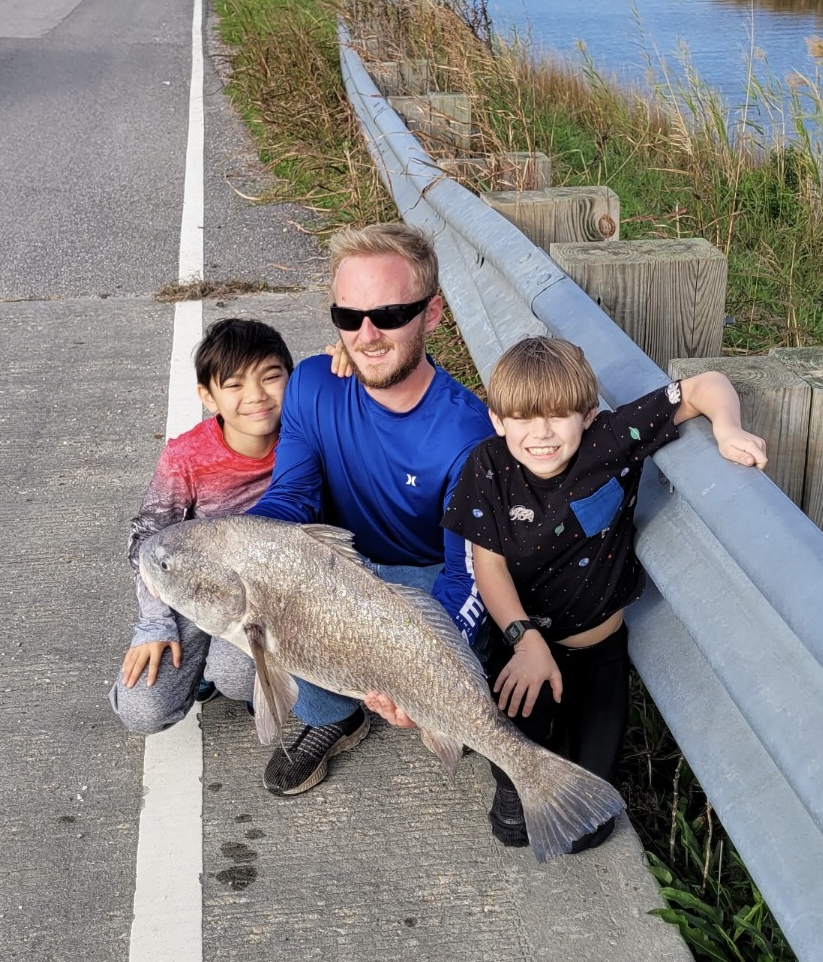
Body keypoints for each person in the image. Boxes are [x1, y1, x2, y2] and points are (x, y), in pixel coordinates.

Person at [441, 336, 768, 851]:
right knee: (520, 748)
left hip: (597, 652)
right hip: (522, 642)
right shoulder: (487, 466)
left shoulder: (610, 442)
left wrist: (727, 429)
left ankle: (561, 759)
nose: (541, 434)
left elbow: (704, 386)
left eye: (558, 415)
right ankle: (511, 781)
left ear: (589, 415)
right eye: (523, 418)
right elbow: (490, 566)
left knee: (587, 829)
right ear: (499, 420)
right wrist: (524, 641)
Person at [247, 221, 493, 797]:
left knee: (447, 654)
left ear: (431, 315)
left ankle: (429, 697)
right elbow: (292, 497)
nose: (366, 335)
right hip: (340, 569)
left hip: (425, 580)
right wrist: (241, 542)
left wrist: (424, 669)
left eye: (388, 316)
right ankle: (334, 714)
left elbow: (470, 574)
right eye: (348, 317)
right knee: (283, 574)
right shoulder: (310, 383)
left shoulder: (467, 431)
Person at [109, 318, 293, 733]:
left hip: (265, 593)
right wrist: (154, 625)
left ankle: (222, 669)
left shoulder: (304, 438)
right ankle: (199, 666)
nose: (256, 396)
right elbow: (145, 541)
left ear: (292, 380)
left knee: (238, 675)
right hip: (193, 592)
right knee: (144, 710)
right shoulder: (187, 457)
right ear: (208, 396)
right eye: (234, 385)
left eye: (271, 377)